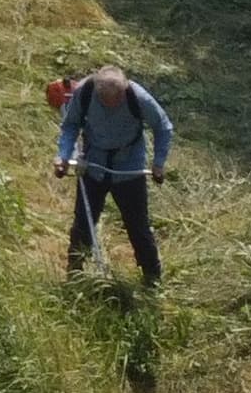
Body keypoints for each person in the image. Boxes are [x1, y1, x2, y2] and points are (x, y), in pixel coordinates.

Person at [53, 63, 172, 283]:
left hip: (129, 167)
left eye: (115, 101)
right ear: (97, 92)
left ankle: (152, 279)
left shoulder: (139, 98)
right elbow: (70, 125)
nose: (110, 106)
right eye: (105, 102)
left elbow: (163, 126)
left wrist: (158, 162)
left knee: (138, 226)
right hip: (93, 165)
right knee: (83, 225)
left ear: (124, 91)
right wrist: (63, 156)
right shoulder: (86, 92)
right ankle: (75, 275)